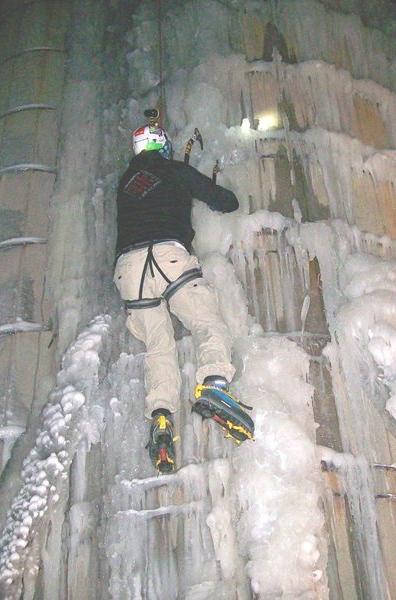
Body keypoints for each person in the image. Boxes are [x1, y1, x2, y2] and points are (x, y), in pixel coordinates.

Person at [114, 123, 254, 472]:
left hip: (128, 269)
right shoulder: (173, 169)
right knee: (205, 321)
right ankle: (214, 384)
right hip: (168, 255)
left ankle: (161, 416)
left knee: (158, 345)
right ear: (163, 147)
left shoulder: (125, 183)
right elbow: (224, 200)